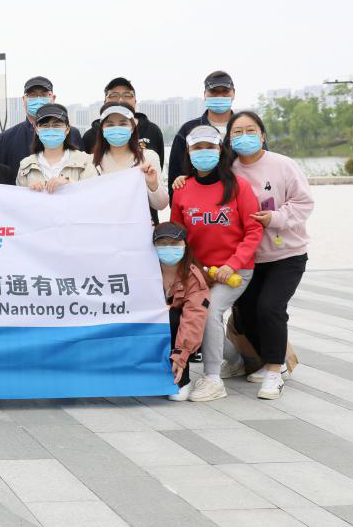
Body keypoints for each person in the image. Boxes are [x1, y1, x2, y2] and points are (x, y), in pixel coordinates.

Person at [169, 124, 263, 402]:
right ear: (189, 152)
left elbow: (253, 231)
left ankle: (212, 379)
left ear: (220, 150)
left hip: (235, 271)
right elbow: (177, 236)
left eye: (209, 147)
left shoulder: (239, 187)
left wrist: (232, 265)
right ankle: (234, 360)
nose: (204, 152)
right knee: (187, 312)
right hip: (199, 272)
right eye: (197, 147)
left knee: (210, 312)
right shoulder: (182, 189)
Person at [227, 110, 314, 400]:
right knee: (246, 311)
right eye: (237, 132)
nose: (245, 136)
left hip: (286, 255)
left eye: (251, 130)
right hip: (248, 258)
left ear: (263, 135)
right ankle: (269, 360)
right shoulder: (228, 170)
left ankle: (275, 372)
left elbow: (304, 203)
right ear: (229, 139)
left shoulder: (282, 165)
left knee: (270, 308)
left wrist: (275, 218)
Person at [152, 222, 209, 402]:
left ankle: (182, 380)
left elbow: (194, 317)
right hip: (148, 329)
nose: (168, 248)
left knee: (173, 316)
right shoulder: (144, 270)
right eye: (162, 243)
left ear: (185, 245)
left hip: (182, 334)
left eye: (174, 243)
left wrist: (181, 357)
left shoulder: (194, 277)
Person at [168, 70, 243, 193]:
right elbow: (175, 174)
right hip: (199, 199)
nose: (219, 96)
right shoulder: (188, 130)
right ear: (205, 95)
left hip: (240, 196)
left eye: (225, 91)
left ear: (233, 94)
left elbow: (261, 161)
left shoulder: (245, 127)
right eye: (213, 92)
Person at [91, 103, 167, 215]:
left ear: (132, 128)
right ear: (102, 129)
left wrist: (153, 184)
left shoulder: (148, 157)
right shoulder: (91, 161)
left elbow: (161, 205)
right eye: (110, 124)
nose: (116, 128)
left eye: (123, 124)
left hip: (137, 224)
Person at [0, 76, 83, 172]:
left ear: (53, 98)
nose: (38, 100)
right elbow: (0, 175)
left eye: (43, 95)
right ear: (24, 99)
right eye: (32, 95)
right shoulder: (7, 138)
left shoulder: (72, 133)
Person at [81, 78, 166, 169]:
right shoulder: (89, 136)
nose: (120, 100)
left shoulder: (152, 131)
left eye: (127, 95)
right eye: (113, 95)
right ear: (105, 102)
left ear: (135, 101)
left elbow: (157, 169)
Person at [15, 103, 98, 190]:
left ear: (67, 129)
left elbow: (92, 192)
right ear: (37, 130)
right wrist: (29, 190)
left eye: (57, 125)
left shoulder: (85, 161)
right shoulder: (26, 165)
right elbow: (19, 197)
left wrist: (69, 183)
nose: (51, 130)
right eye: (45, 126)